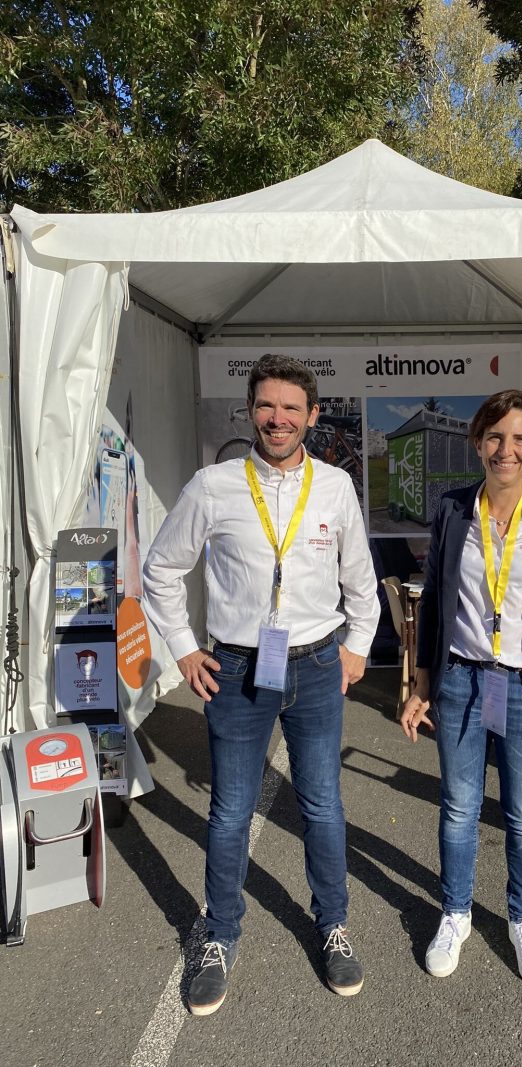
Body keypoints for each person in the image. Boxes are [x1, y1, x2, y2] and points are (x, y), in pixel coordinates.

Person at [143, 354, 380, 1016]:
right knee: (228, 810)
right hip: (240, 668)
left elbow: (360, 579)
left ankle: (332, 923)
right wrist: (185, 649)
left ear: (311, 416)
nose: (278, 419)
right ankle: (219, 935)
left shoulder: (334, 485)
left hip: (315, 663)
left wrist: (358, 647)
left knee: (323, 805)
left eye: (291, 409)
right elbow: (161, 569)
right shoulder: (213, 484)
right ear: (251, 411)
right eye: (267, 406)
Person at [400, 389, 522, 986]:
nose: (505, 450)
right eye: (494, 437)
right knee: (460, 807)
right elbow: (435, 598)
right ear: (477, 444)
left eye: (519, 439)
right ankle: (456, 913)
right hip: (461, 679)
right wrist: (421, 683)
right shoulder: (453, 508)